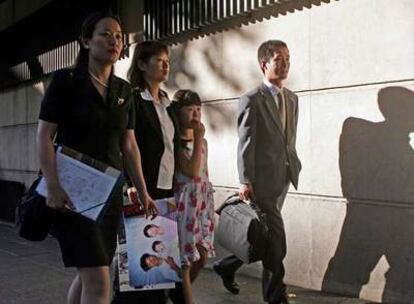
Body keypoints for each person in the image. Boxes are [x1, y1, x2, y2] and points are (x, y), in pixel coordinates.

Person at [37, 12, 156, 304]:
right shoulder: (66, 81)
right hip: (73, 194)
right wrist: (52, 185)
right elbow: (43, 136)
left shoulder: (124, 90)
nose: (114, 41)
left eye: (118, 36)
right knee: (100, 282)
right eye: (106, 34)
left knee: (88, 274)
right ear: (87, 41)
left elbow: (129, 145)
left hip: (110, 194)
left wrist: (142, 191)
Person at [213, 40, 301, 304]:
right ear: (264, 64)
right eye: (278, 59)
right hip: (260, 181)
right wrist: (245, 180)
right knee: (277, 242)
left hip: (284, 177)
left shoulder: (292, 98)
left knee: (266, 236)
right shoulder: (252, 99)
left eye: (287, 58)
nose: (284, 63)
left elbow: (288, 140)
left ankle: (227, 266)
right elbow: (246, 143)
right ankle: (276, 297)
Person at [112, 40, 185, 304]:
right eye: (159, 60)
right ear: (142, 64)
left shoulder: (168, 103)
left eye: (167, 60)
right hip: (141, 189)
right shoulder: (133, 99)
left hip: (165, 189)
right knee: (136, 267)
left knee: (159, 267)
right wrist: (132, 182)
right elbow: (125, 145)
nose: (166, 65)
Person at [172, 89, 215, 304]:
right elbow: (191, 171)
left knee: (202, 256)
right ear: (178, 113)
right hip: (184, 206)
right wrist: (198, 138)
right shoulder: (176, 143)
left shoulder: (203, 143)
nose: (196, 115)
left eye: (199, 109)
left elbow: (204, 175)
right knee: (185, 263)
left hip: (200, 205)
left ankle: (178, 292)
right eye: (190, 110)